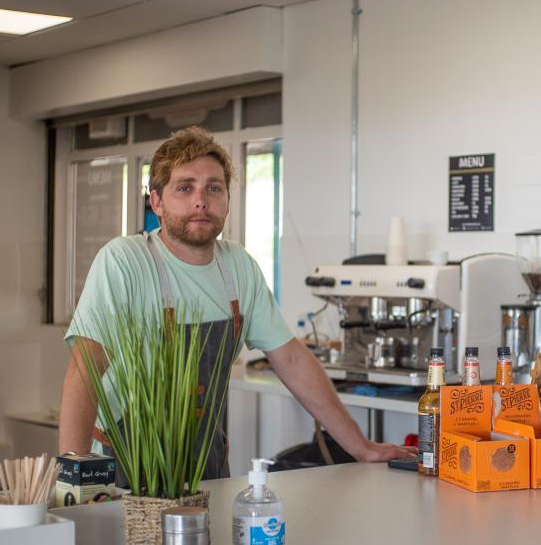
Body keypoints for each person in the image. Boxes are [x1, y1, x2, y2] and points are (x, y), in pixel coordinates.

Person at [58, 126, 415, 479]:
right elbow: (85, 372)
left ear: (228, 200)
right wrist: (74, 482)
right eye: (185, 188)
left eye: (214, 188)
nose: (201, 200)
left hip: (205, 462)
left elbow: (291, 358)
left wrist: (361, 447)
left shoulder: (238, 267)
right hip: (126, 464)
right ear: (157, 202)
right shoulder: (125, 261)